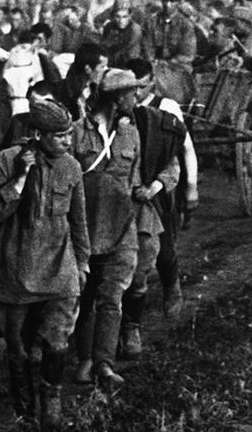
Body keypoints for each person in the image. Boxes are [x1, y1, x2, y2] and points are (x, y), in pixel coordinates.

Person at [0, 101, 89, 428]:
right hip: (15, 271)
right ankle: (25, 415)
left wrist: (82, 262)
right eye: (58, 136)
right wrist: (21, 176)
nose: (67, 141)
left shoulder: (72, 167)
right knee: (20, 350)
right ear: (37, 135)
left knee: (57, 341)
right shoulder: (7, 161)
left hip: (59, 269)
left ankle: (51, 403)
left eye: (69, 134)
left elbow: (79, 220)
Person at [71, 68, 144, 387]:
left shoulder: (131, 134)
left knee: (113, 294)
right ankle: (85, 358)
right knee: (85, 296)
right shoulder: (76, 132)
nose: (136, 97)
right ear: (117, 98)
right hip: (85, 228)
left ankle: (104, 363)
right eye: (131, 93)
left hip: (121, 227)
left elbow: (133, 179)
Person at [119, 63, 183, 358]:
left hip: (144, 207)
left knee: (151, 259)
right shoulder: (95, 126)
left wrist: (153, 188)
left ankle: (131, 327)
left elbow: (173, 165)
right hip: (107, 210)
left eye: (132, 92)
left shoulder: (155, 122)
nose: (127, 99)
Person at [128, 60, 197, 316]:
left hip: (160, 185)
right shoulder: (121, 107)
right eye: (130, 87)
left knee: (164, 248)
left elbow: (185, 148)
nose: (135, 93)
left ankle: (172, 287)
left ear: (152, 84)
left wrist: (191, 188)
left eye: (141, 87)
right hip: (131, 187)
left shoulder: (166, 107)